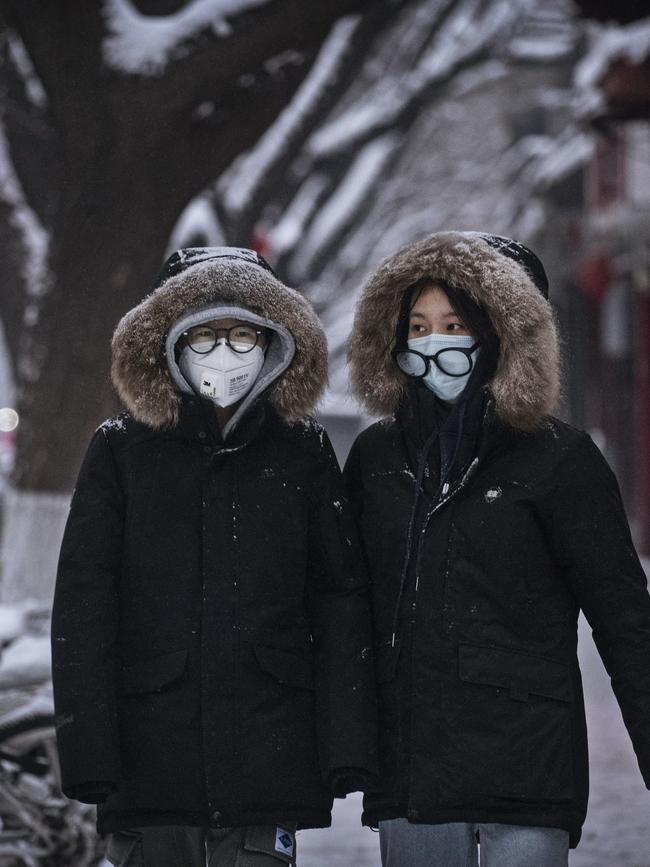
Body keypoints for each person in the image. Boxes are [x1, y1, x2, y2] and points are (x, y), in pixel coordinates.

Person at [51, 246, 377, 867]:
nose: (224, 351)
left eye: (241, 333)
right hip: (150, 759)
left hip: (267, 752)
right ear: (169, 344)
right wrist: (89, 753)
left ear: (273, 343)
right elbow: (84, 605)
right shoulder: (121, 452)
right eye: (204, 333)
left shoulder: (301, 450)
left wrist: (346, 746)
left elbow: (339, 598)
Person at [343, 230, 650, 867]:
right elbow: (344, 606)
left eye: (456, 323)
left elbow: (624, 617)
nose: (434, 341)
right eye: (418, 326)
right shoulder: (376, 458)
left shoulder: (560, 458)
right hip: (413, 770)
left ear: (500, 334)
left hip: (526, 766)